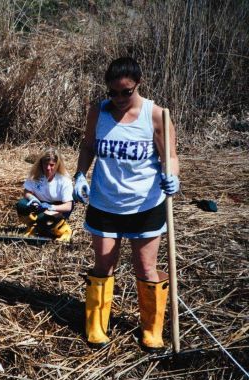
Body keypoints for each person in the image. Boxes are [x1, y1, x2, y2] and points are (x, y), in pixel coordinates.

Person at [72, 57, 180, 352]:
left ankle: (152, 330)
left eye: (126, 92)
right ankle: (96, 326)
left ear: (138, 85)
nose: (119, 99)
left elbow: (170, 155)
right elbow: (88, 146)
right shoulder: (99, 112)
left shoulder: (156, 115)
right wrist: (80, 174)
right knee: (103, 264)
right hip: (105, 203)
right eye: (113, 93)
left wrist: (172, 176)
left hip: (145, 205)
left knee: (146, 268)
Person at [15, 148, 73, 241]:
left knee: (43, 218)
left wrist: (51, 207)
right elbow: (26, 191)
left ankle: (64, 230)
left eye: (52, 165)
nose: (48, 168)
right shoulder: (36, 175)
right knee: (22, 205)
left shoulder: (64, 179)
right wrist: (33, 199)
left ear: (57, 165)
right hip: (40, 204)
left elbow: (68, 206)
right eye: (45, 164)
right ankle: (33, 226)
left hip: (58, 207)